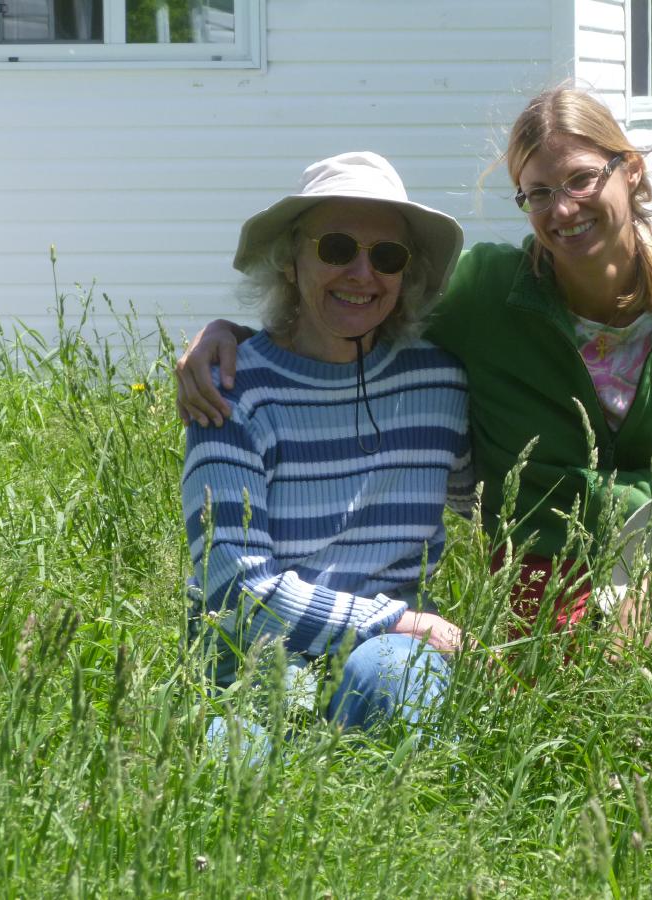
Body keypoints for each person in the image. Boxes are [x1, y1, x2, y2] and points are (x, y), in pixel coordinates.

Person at [178, 88, 652, 653]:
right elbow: (348, 312)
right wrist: (233, 336)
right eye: (537, 193)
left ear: (633, 172)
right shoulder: (485, 295)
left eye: (581, 179)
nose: (562, 209)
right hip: (549, 571)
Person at [182, 151, 474, 737]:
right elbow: (235, 589)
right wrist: (404, 621)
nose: (363, 275)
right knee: (229, 765)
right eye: (336, 249)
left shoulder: (439, 384)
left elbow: (496, 504)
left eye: (387, 257)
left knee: (391, 680)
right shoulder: (235, 389)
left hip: (389, 656)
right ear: (290, 259)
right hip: (255, 650)